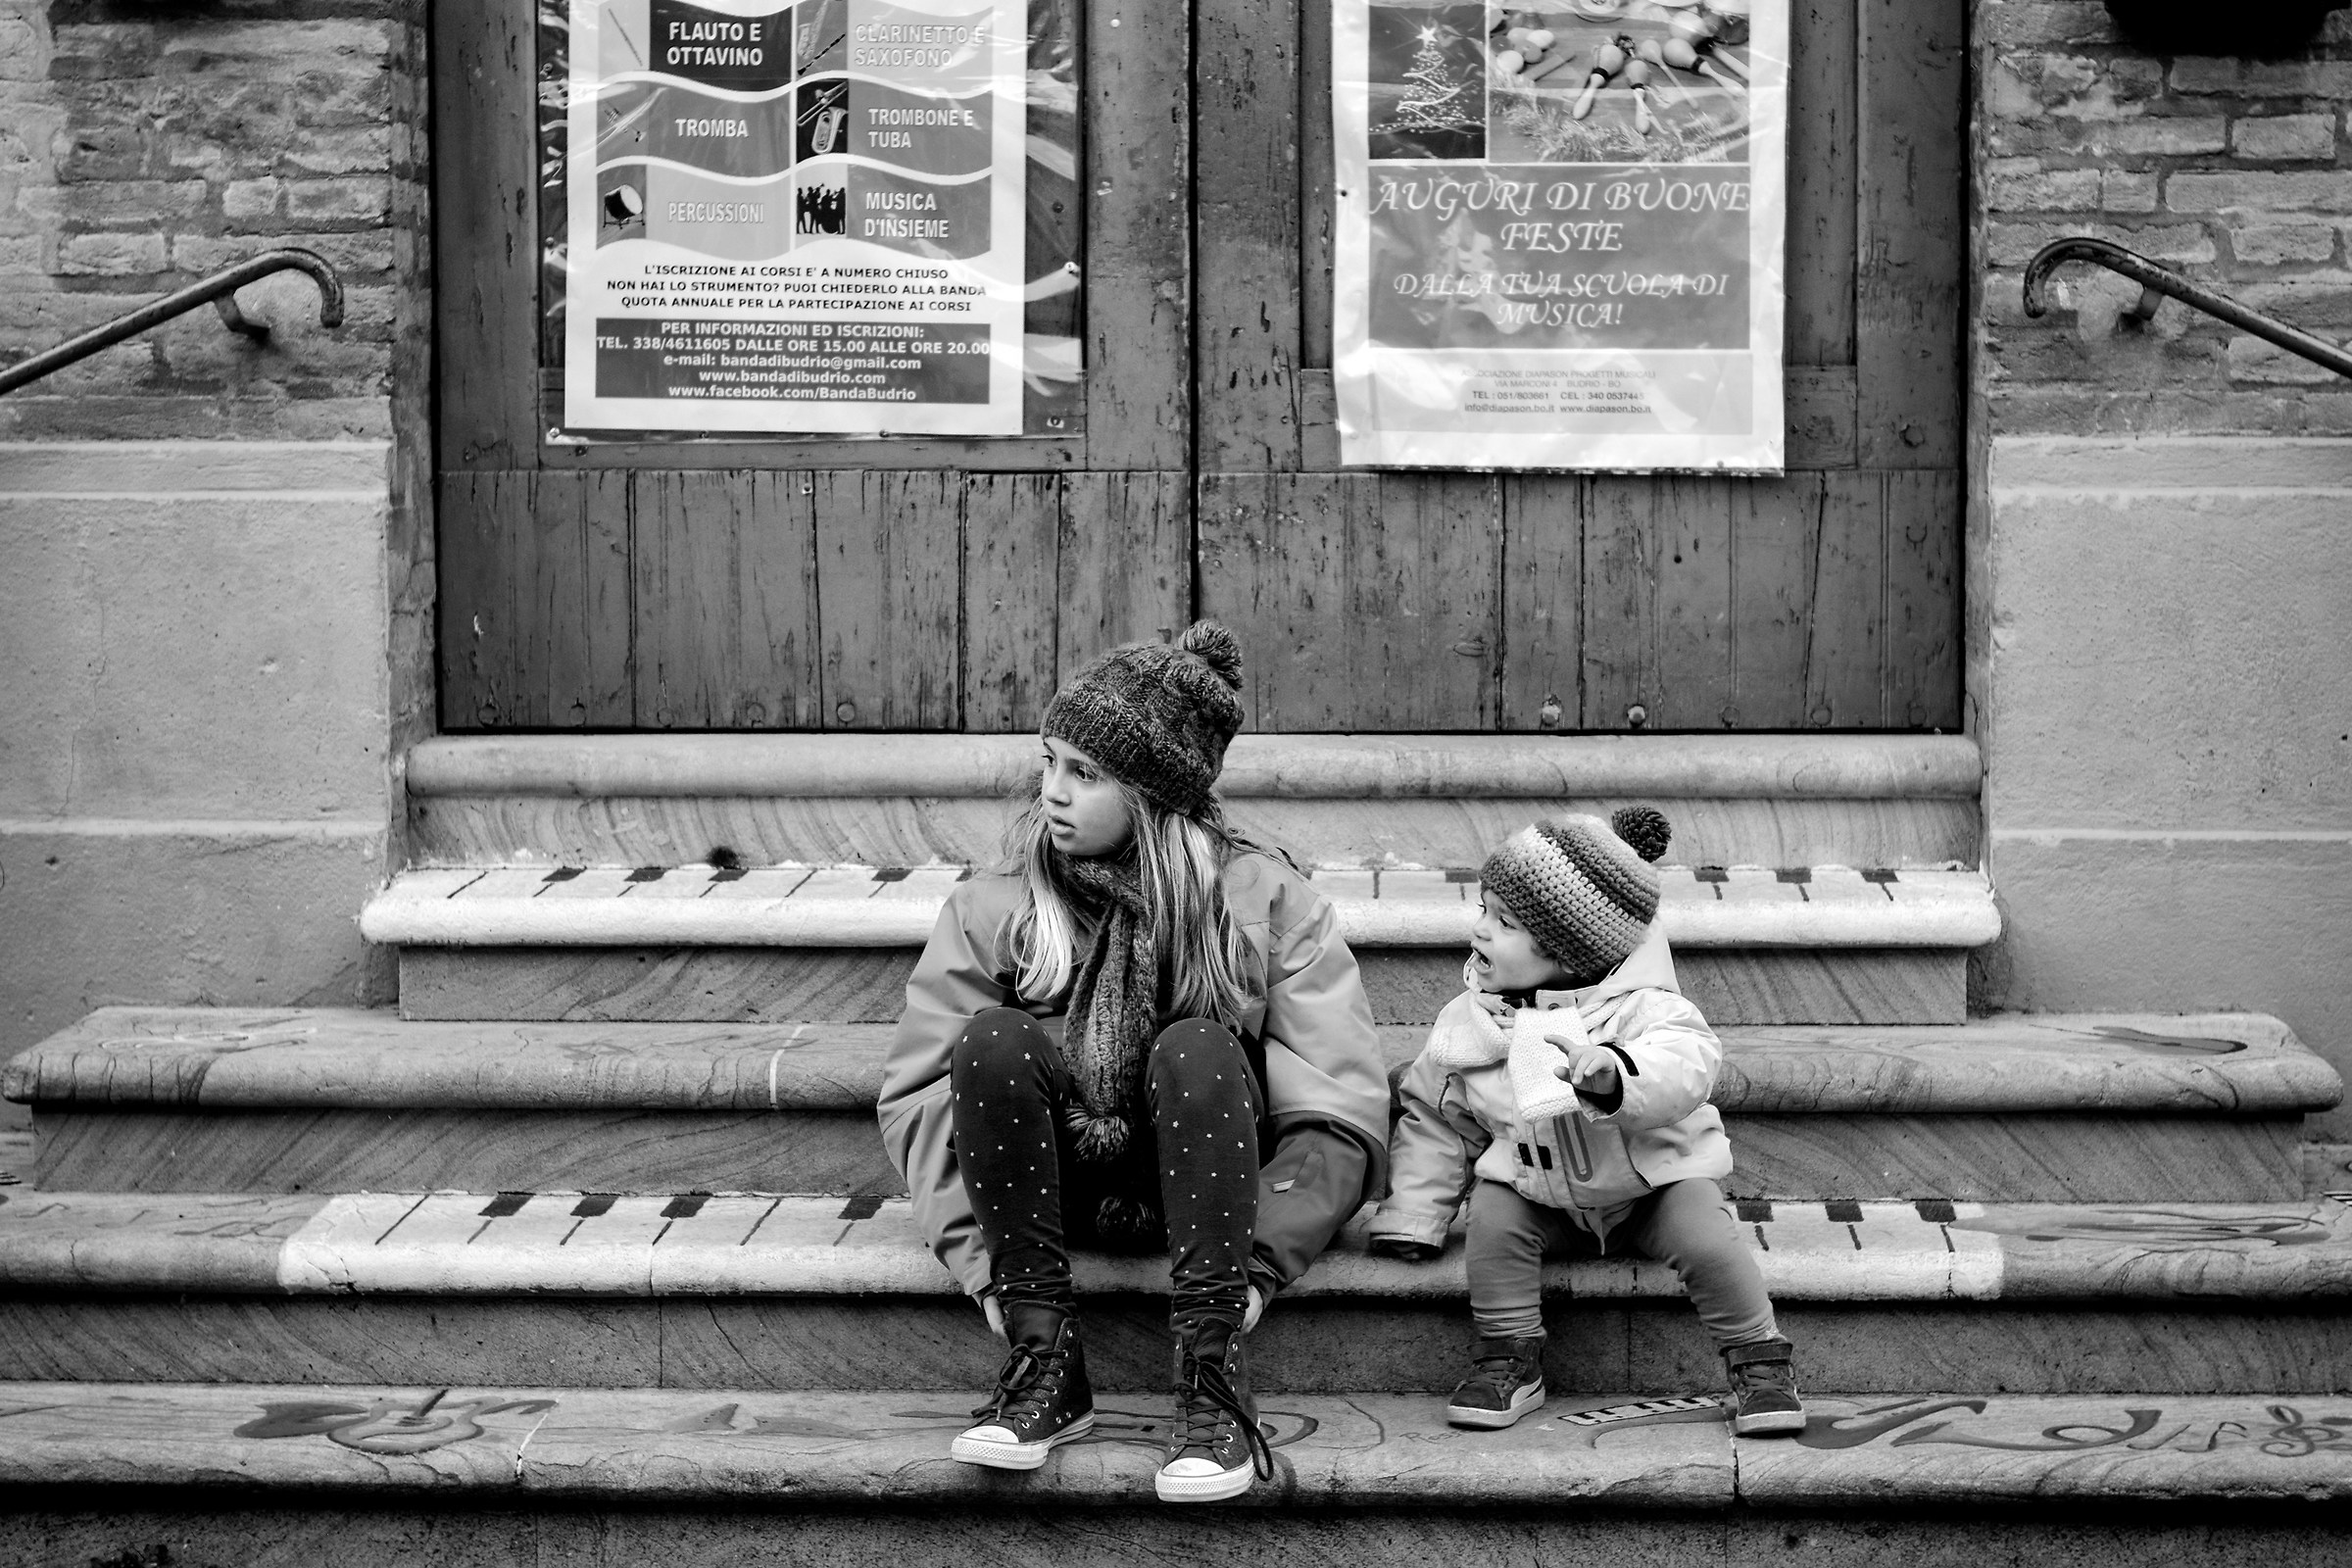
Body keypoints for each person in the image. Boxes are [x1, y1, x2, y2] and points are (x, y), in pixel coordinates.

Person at [877, 621, 1391, 1502]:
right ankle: (1045, 1359)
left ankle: (1211, 1372)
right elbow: (922, 1101)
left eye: (1086, 773)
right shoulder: (995, 906)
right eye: (1048, 763)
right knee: (992, 1039)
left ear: (1153, 796)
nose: (1052, 794)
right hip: (1045, 1200)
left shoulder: (1264, 901)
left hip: (1215, 1202)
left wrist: (1257, 1269)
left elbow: (1338, 1108)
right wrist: (985, 1273)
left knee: (1196, 1043)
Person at [1367, 808, 1805, 1437]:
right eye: (1483, 911)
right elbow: (1438, 1118)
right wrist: (1415, 1213)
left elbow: (1687, 1066)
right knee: (1493, 1218)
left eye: (1504, 922)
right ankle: (1510, 1359)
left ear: (1568, 952)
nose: (1479, 930)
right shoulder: (1470, 1023)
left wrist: (1615, 1076)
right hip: (1541, 1192)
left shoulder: (1645, 1009)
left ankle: (1759, 1362)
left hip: (1650, 1187)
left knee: (1708, 1237)